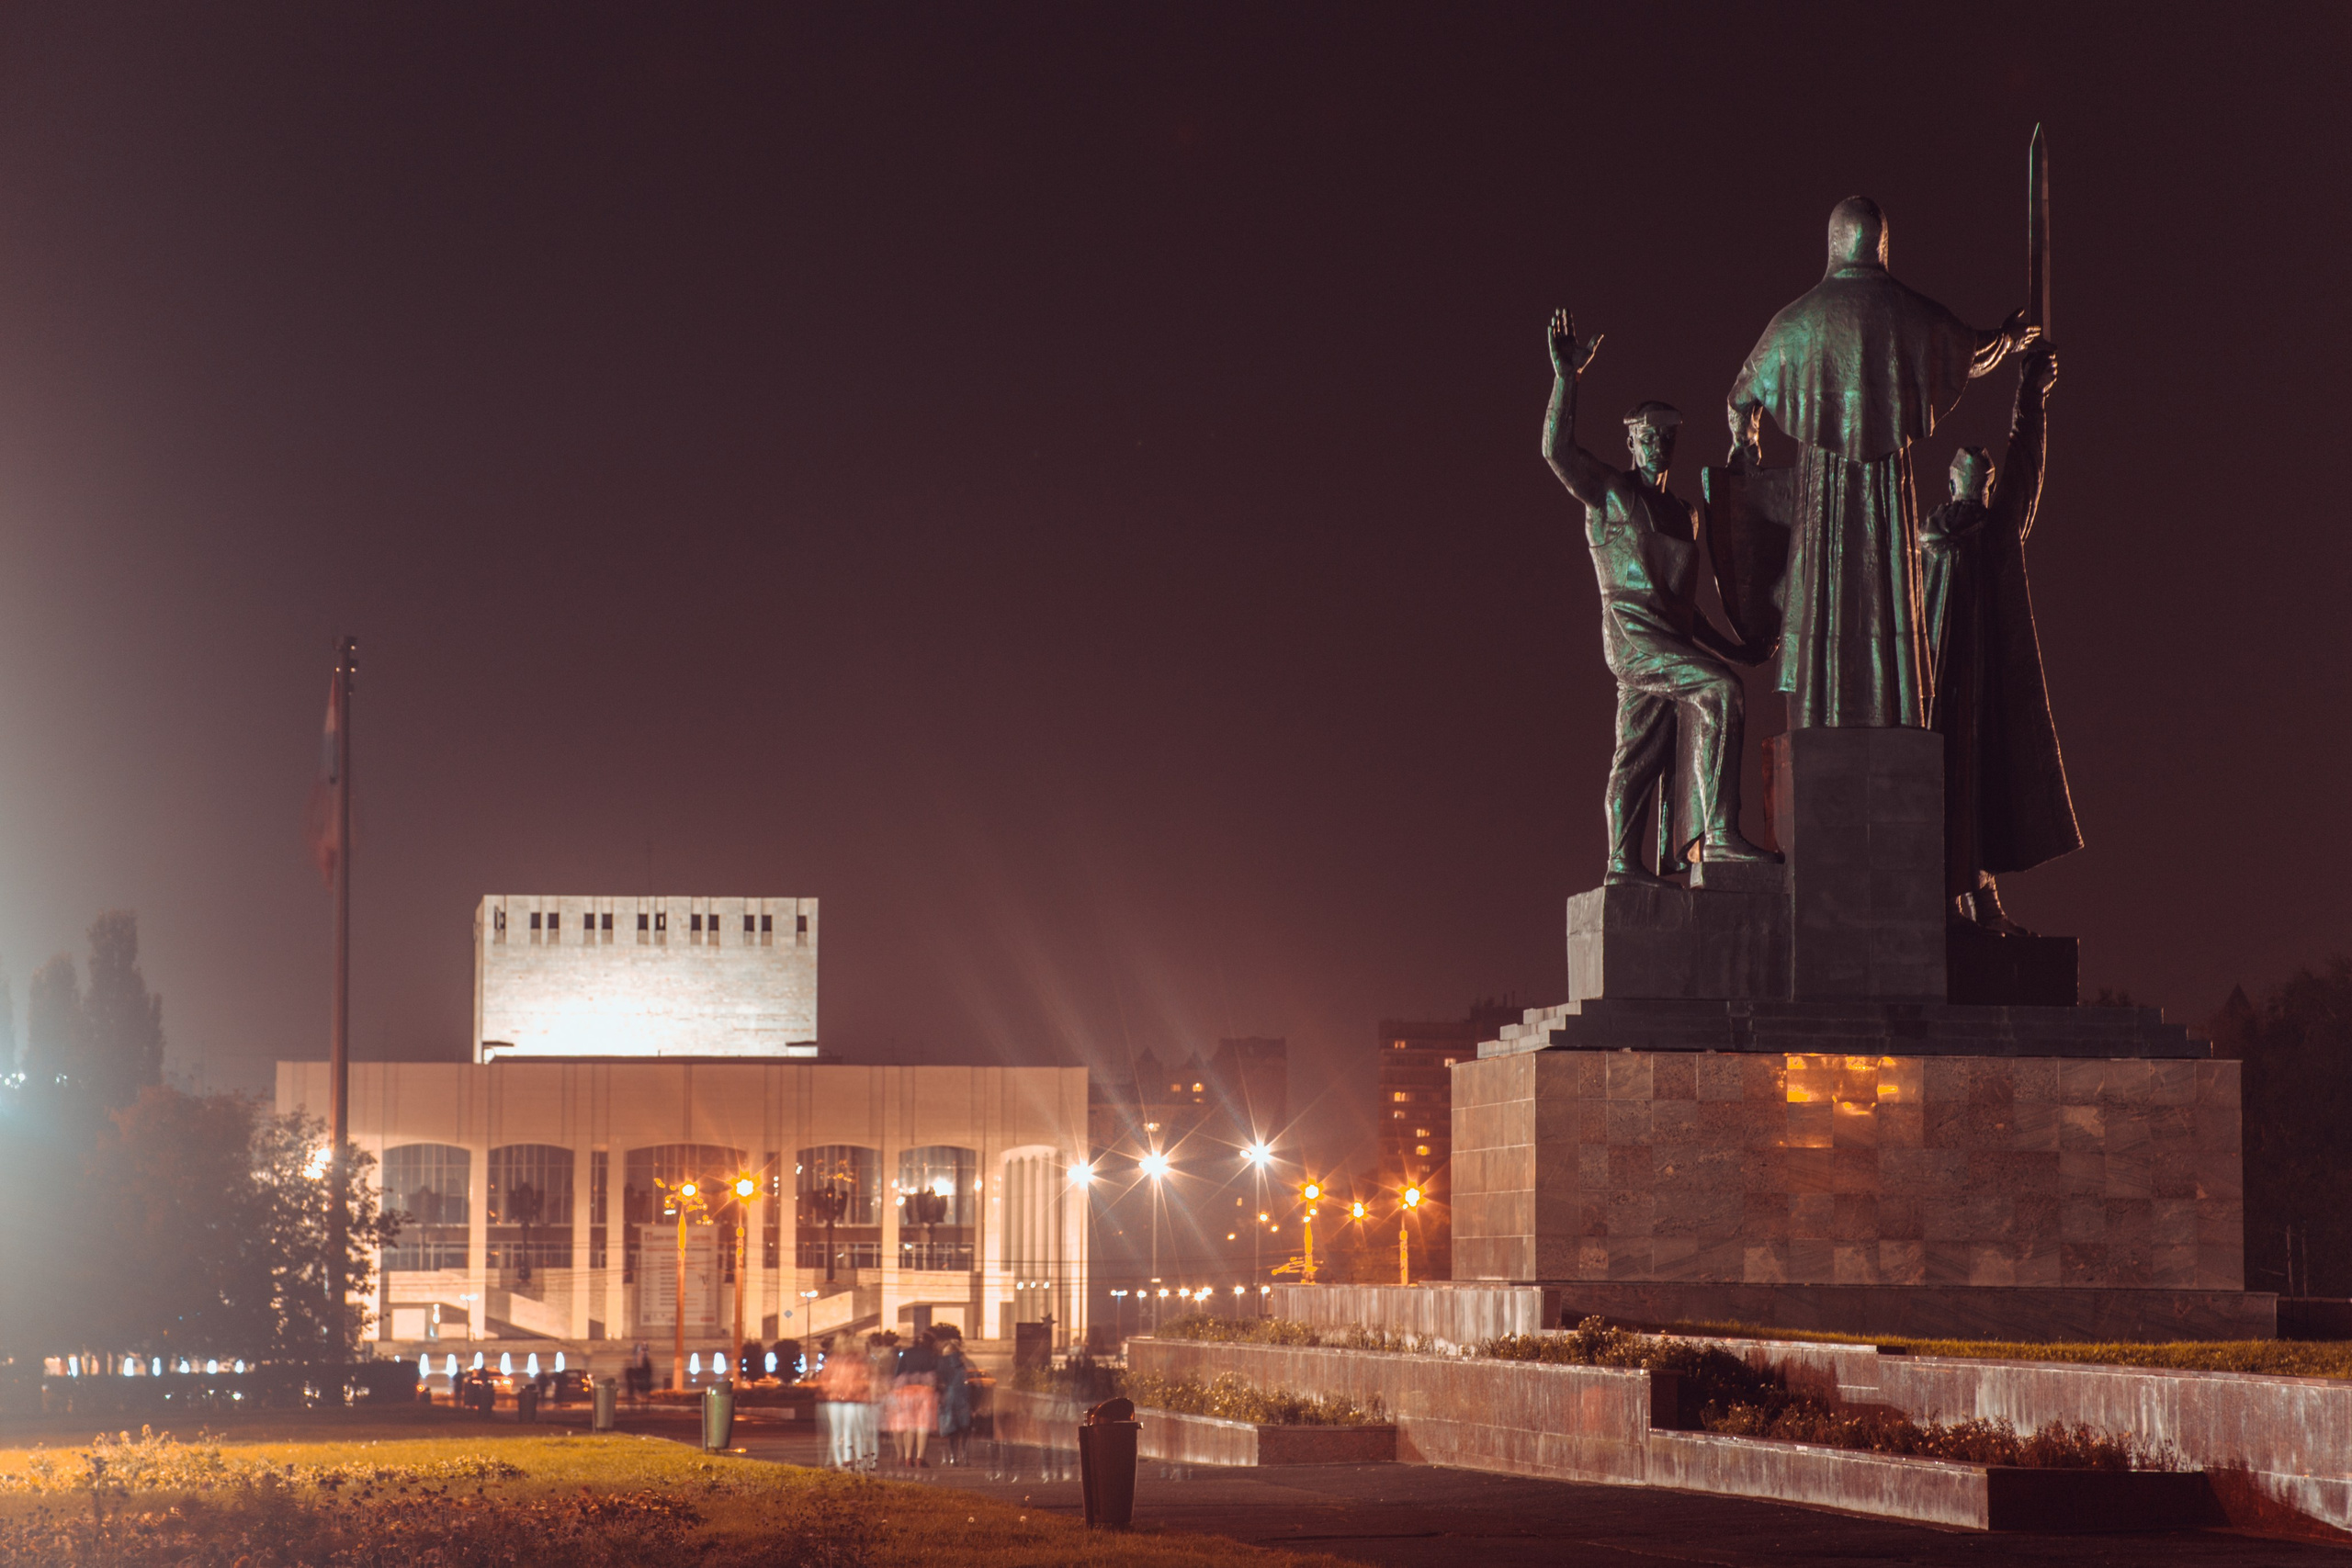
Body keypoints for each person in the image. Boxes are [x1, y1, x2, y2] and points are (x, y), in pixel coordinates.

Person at [1726, 197, 2033, 728]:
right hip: (1886, 484)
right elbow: (1968, 351)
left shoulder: (1797, 321)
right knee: (1886, 577)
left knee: (1825, 583)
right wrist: (2007, 339)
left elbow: (1740, 397)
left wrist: (1747, 443)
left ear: (1833, 242)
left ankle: (1821, 708)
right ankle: (1891, 701)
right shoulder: (1907, 311)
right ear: (1881, 243)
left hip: (1822, 484)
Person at [1544, 308, 1776, 881]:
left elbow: (1683, 606)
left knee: (1641, 750)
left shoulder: (1683, 514)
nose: (1658, 446)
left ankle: (1624, 864)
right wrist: (1565, 380)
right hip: (1633, 639)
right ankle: (1719, 835)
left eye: (1666, 439)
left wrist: (1732, 645)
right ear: (1631, 439)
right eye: (1648, 437)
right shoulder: (1613, 494)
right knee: (1721, 692)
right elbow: (1557, 452)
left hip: (1667, 638)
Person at [1920, 344, 2079, 930]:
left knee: (1973, 784)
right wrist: (2029, 398)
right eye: (1977, 475)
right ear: (1959, 481)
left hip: (1960, 684)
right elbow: (2024, 472)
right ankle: (1957, 899)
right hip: (1943, 687)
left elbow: (2024, 470)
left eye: (1984, 478)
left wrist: (2030, 399)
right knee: (1950, 785)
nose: (1983, 483)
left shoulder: (1952, 536)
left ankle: (1978, 898)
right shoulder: (1954, 537)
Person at [887, 1328, 942, 1467]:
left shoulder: (906, 1353)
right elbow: (937, 1373)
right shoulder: (932, 1354)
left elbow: (898, 1372)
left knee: (910, 1425)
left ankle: (907, 1457)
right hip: (926, 1391)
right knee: (923, 1425)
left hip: (907, 1391)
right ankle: (920, 1458)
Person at [816, 1332, 870, 1470]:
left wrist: (832, 1389)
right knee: (848, 1430)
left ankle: (840, 1461)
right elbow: (864, 1380)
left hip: (834, 1399)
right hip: (851, 1399)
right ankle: (846, 1459)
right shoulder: (857, 1360)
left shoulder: (832, 1360)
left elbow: (824, 1380)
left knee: (836, 1431)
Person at [934, 1328, 974, 1465]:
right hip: (964, 1401)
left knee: (951, 1432)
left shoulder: (941, 1365)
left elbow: (938, 1383)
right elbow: (975, 1383)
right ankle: (964, 1456)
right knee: (965, 1430)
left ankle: (953, 1457)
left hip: (948, 1402)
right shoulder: (967, 1364)